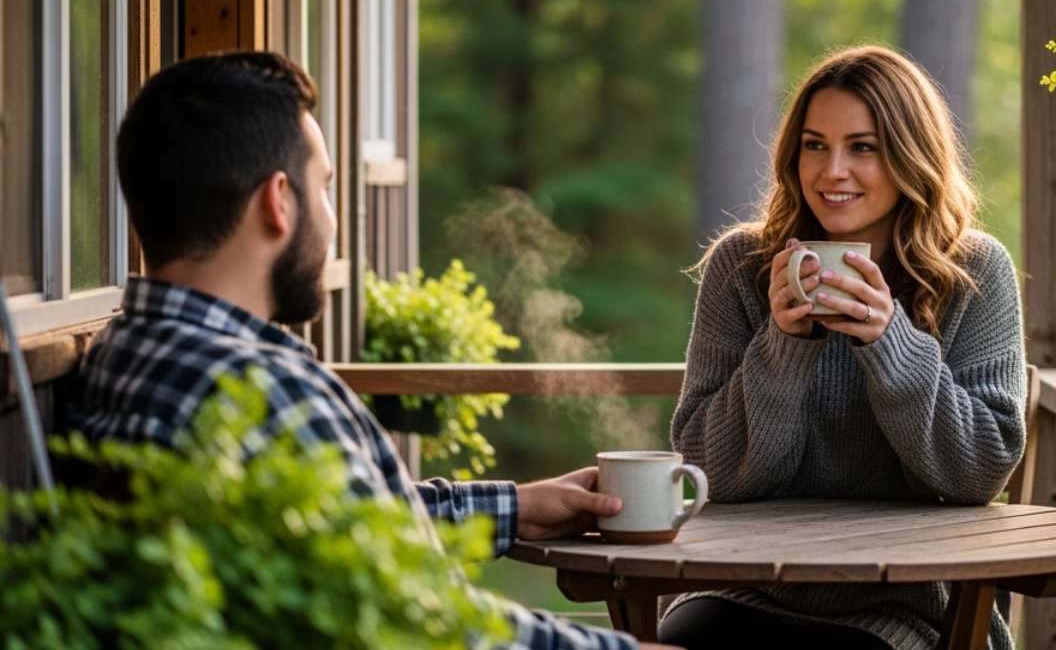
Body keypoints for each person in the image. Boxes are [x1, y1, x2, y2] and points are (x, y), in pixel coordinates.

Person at [70, 51, 675, 650]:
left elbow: (330, 534)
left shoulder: (127, 350)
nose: (332, 221)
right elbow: (417, 612)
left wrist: (513, 508)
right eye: (325, 188)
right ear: (277, 201)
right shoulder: (267, 392)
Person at [662, 46, 1026, 650]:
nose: (832, 171)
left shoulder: (975, 273)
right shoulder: (742, 267)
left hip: (906, 603)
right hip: (740, 589)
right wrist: (784, 343)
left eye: (863, 147)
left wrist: (893, 344)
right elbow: (710, 473)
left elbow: (979, 473)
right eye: (814, 145)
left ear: (911, 155)